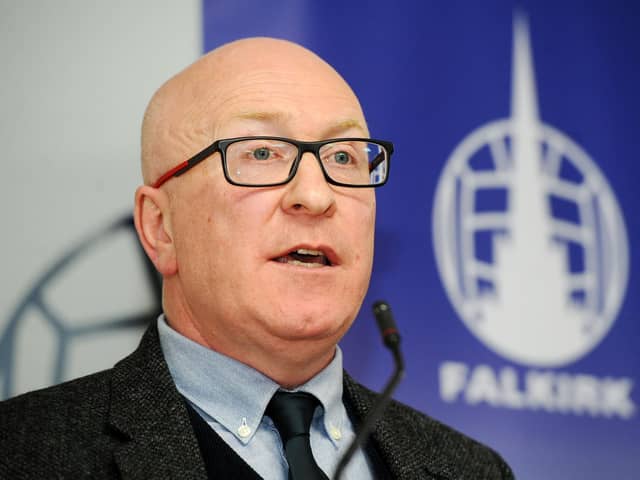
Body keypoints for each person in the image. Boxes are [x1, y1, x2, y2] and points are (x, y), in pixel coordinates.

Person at [0, 37, 514, 479]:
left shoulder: (469, 469)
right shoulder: (26, 453)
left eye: (343, 157)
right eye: (262, 153)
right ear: (160, 228)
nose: (315, 196)